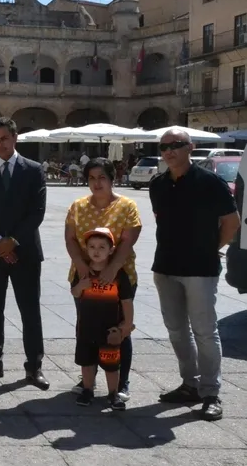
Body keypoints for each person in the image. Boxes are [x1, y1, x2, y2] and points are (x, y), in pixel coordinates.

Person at [149, 128, 239, 421]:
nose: (169, 150)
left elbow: (232, 222)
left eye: (175, 145)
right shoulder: (158, 184)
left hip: (200, 269)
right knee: (176, 330)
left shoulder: (209, 182)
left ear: (191, 147)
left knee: (204, 331)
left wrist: (211, 248)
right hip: (165, 267)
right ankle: (190, 384)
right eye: (164, 146)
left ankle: (211, 392)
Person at [0, 116, 49, 389]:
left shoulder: (34, 170)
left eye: (4, 138)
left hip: (24, 251)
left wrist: (12, 241)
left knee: (30, 310)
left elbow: (36, 212)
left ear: (15, 138)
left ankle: (34, 367)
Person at [64, 157, 141, 401]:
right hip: (84, 279)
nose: (97, 183)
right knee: (88, 327)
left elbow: (128, 239)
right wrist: (80, 264)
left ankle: (121, 382)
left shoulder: (127, 206)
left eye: (102, 177)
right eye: (92, 178)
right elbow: (71, 239)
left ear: (112, 179)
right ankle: (88, 378)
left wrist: (113, 268)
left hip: (119, 280)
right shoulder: (78, 206)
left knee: (118, 329)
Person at [70, 227, 134, 411]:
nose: (96, 251)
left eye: (101, 247)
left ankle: (113, 394)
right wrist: (81, 285)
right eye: (92, 247)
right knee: (87, 362)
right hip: (86, 327)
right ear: (86, 249)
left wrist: (126, 325)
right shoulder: (82, 272)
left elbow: (126, 301)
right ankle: (88, 390)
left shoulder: (119, 275)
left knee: (111, 364)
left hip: (109, 329)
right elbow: (74, 292)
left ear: (111, 250)